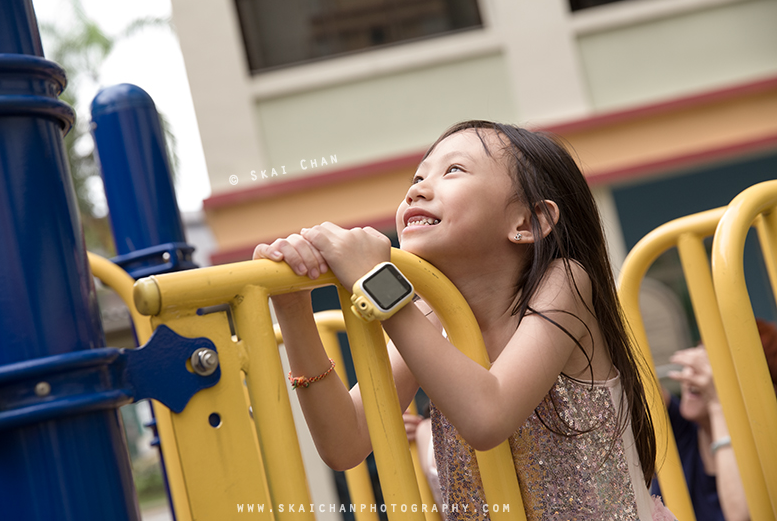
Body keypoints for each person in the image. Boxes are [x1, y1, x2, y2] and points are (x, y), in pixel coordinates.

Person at [254, 121, 672, 520]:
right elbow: (345, 443)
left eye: (453, 170)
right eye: (416, 179)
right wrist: (293, 312)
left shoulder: (565, 284)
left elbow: (488, 416)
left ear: (528, 222)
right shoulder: (429, 314)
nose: (418, 190)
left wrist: (376, 281)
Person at [651, 319, 777, 521]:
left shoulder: (767, 455)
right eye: (699, 356)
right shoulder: (680, 430)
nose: (693, 374)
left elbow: (740, 516)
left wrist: (717, 404)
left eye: (713, 365)